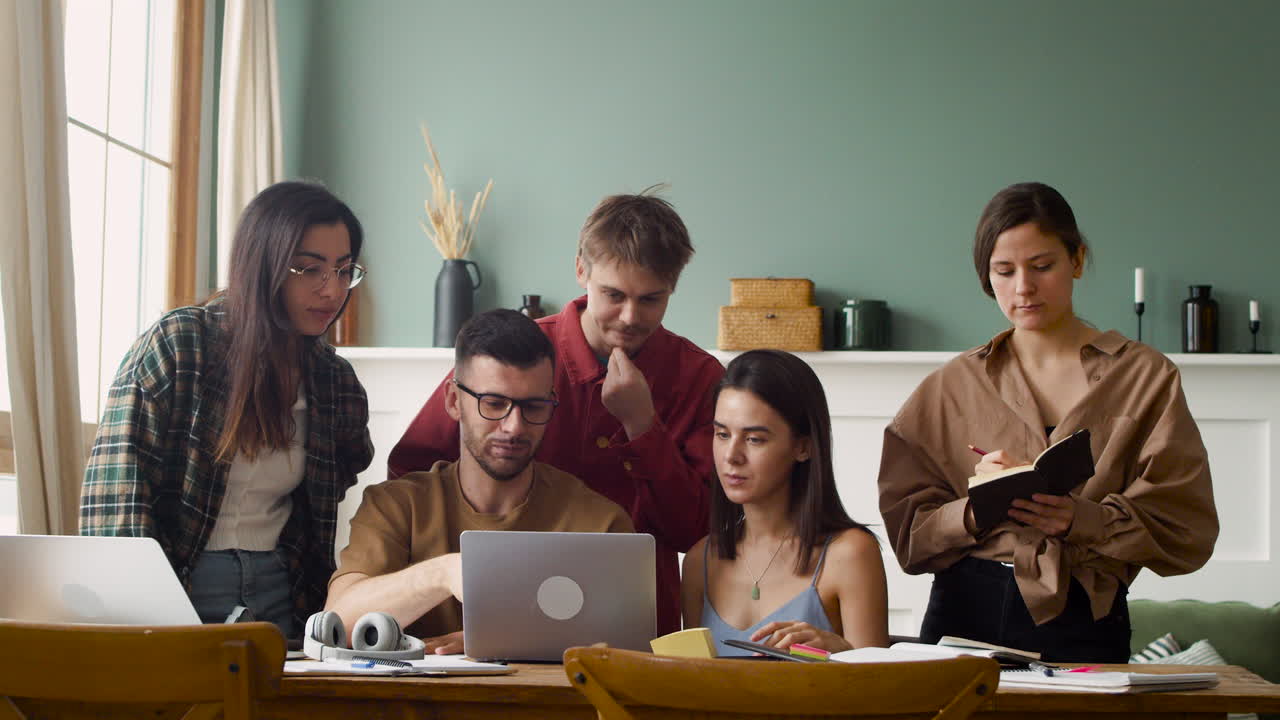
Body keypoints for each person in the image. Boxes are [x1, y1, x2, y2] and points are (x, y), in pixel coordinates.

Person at [877, 181, 1218, 662]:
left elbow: (1187, 527)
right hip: (963, 610)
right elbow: (907, 535)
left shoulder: (1146, 377)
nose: (1024, 288)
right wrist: (978, 507)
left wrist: (1082, 518)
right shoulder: (949, 386)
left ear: (1077, 260)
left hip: (1086, 613)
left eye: (1042, 266)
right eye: (1004, 271)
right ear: (986, 277)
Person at [388, 186, 724, 635]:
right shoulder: (512, 353)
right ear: (581, 268)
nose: (629, 317)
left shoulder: (698, 376)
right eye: (613, 295)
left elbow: (696, 531)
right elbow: (411, 477)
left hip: (637, 616)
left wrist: (643, 427)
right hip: (496, 606)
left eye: (651, 300)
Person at [80, 181, 374, 639]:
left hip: (285, 592)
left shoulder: (336, 383)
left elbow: (324, 508)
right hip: (175, 587)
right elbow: (116, 504)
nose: (331, 289)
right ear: (262, 266)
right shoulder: (182, 344)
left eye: (343, 270)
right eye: (307, 268)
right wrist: (138, 626)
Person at [326, 309, 633, 653]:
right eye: (494, 403)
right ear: (454, 401)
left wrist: (504, 639)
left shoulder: (601, 524)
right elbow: (338, 622)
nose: (514, 426)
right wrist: (445, 572)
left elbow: (625, 649)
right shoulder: (396, 506)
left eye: (533, 406)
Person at [681, 350, 889, 656]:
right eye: (722, 434)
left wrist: (840, 652)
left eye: (754, 439)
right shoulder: (700, 561)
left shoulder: (850, 554)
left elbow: (882, 691)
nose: (731, 456)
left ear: (803, 447)